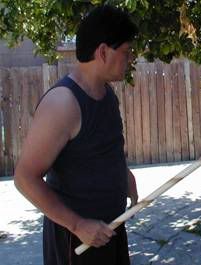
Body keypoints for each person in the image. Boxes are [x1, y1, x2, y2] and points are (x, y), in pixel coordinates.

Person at [14, 5, 138, 265]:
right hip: (76, 241)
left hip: (110, 229)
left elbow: (104, 150)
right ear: (103, 51)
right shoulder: (63, 103)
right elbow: (25, 178)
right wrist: (78, 224)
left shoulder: (107, 94)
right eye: (126, 52)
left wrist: (124, 176)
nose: (130, 59)